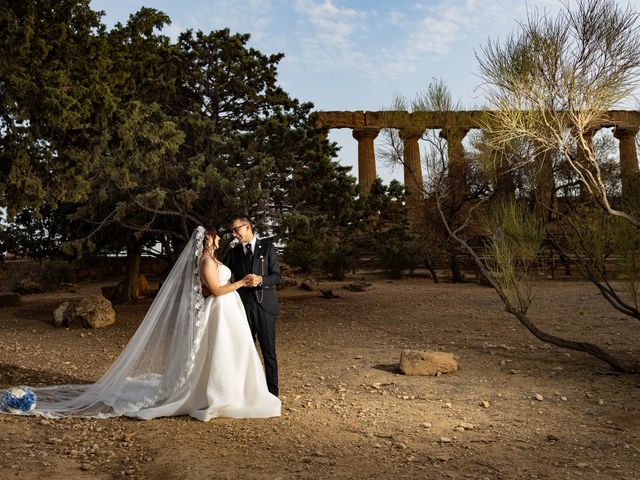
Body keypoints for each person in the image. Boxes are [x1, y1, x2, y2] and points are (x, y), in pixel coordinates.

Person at [0, 225, 281, 420]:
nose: (221, 239)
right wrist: (242, 283)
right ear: (208, 240)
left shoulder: (214, 258)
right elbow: (216, 290)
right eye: (217, 237)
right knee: (217, 355)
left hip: (227, 311)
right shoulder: (207, 262)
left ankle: (235, 390)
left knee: (231, 354)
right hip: (220, 308)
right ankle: (216, 394)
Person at [225, 214, 281, 397]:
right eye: (232, 231)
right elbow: (223, 275)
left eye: (236, 229)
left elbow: (277, 276)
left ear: (247, 227)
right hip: (241, 308)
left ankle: (272, 394)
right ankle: (246, 393)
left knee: (269, 353)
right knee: (243, 352)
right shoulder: (233, 253)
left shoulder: (268, 248)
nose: (234, 234)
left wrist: (261, 280)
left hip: (265, 307)